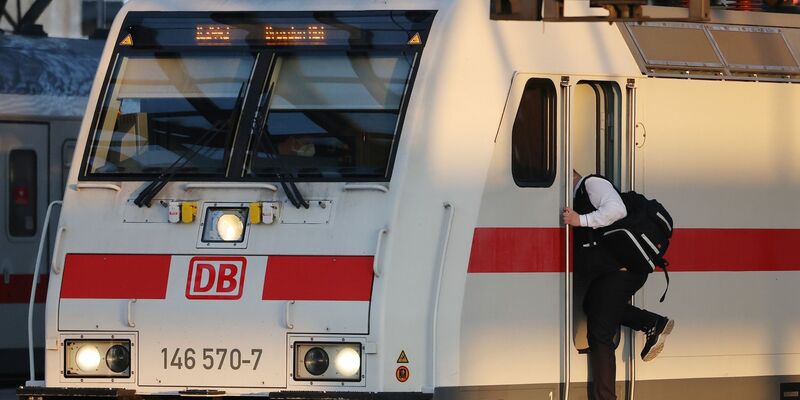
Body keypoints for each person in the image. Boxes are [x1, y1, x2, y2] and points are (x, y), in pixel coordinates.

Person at [562, 170, 674, 400]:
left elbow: (617, 210)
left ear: (569, 176)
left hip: (625, 271)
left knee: (600, 333)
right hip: (619, 270)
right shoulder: (581, 193)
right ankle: (653, 322)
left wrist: (579, 220)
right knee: (594, 304)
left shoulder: (590, 184)